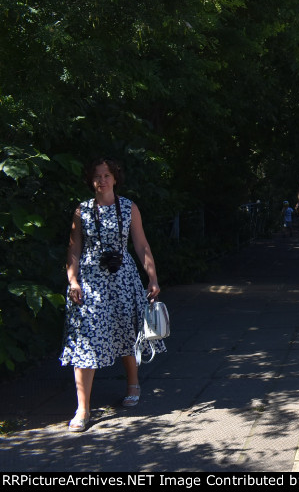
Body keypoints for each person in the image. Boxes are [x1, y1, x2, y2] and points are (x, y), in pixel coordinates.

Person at [61, 158, 163, 432]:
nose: (102, 180)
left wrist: (152, 276)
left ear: (115, 178)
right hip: (91, 283)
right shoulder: (81, 211)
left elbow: (141, 244)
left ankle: (133, 384)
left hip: (123, 279)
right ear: (91, 180)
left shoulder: (129, 207)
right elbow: (74, 250)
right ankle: (83, 409)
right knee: (85, 340)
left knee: (127, 333)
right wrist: (73, 281)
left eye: (107, 175)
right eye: (97, 176)